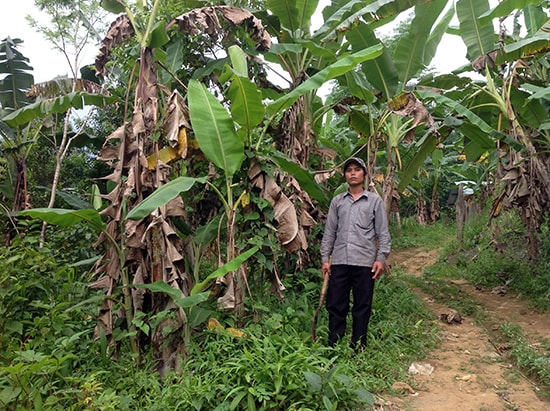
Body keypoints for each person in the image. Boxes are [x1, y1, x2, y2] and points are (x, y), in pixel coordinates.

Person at [320, 157, 391, 351]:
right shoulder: (338, 202)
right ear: (344, 175)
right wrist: (325, 259)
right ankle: (334, 344)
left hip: (364, 262)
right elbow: (330, 232)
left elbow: (382, 233)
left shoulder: (374, 201)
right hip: (340, 260)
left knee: (362, 305)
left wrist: (380, 259)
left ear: (364, 175)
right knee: (335, 304)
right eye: (349, 170)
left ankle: (358, 345)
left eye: (357, 170)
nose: (352, 173)